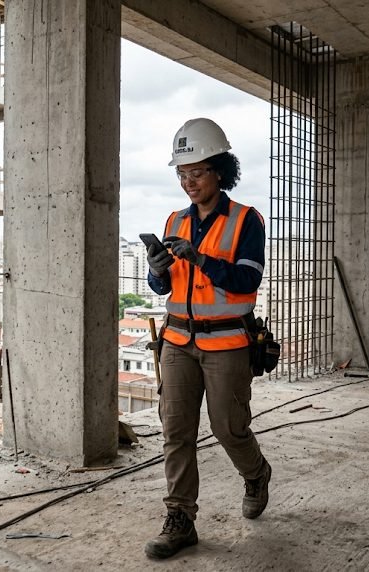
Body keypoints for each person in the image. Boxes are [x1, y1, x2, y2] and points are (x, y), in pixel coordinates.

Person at [144, 118, 271, 559]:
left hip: (227, 343)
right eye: (182, 174)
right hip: (178, 341)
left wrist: (200, 257)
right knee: (176, 430)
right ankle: (180, 517)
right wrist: (158, 268)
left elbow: (245, 282)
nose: (188, 182)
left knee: (228, 428)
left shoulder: (245, 221)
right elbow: (164, 287)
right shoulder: (174, 219)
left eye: (197, 172)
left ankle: (255, 474)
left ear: (220, 170)